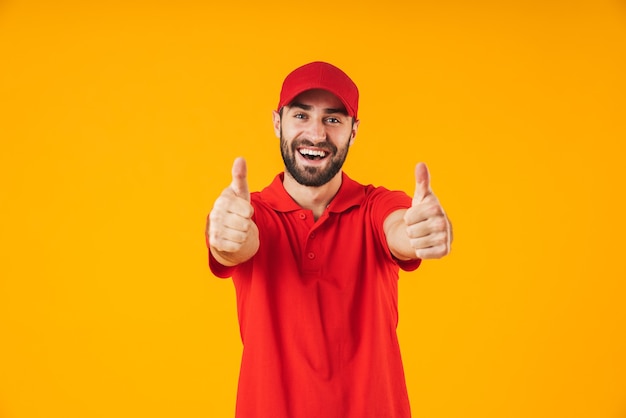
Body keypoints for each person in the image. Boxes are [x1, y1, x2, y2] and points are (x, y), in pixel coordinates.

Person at [206, 61, 452, 418]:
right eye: (301, 116)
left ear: (354, 131)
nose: (317, 134)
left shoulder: (376, 206)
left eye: (333, 120)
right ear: (278, 123)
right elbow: (233, 245)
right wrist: (226, 241)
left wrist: (421, 232)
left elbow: (400, 228)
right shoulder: (247, 214)